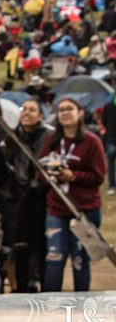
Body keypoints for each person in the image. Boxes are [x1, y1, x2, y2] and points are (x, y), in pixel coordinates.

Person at [39, 96, 106, 292]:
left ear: (80, 113)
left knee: (79, 260)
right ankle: (50, 305)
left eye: (70, 109)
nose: (65, 113)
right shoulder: (52, 141)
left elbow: (99, 176)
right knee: (54, 257)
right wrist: (50, 174)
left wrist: (73, 176)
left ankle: (81, 306)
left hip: (83, 210)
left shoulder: (92, 141)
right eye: (61, 110)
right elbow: (39, 170)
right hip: (57, 208)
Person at [0, 99, 52, 292]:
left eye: (32, 110)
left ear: (40, 115)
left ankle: (45, 287)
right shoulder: (11, 138)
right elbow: (5, 166)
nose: (27, 113)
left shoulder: (48, 137)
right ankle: (21, 288)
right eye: (24, 109)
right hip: (17, 199)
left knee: (42, 246)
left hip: (41, 198)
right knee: (21, 247)